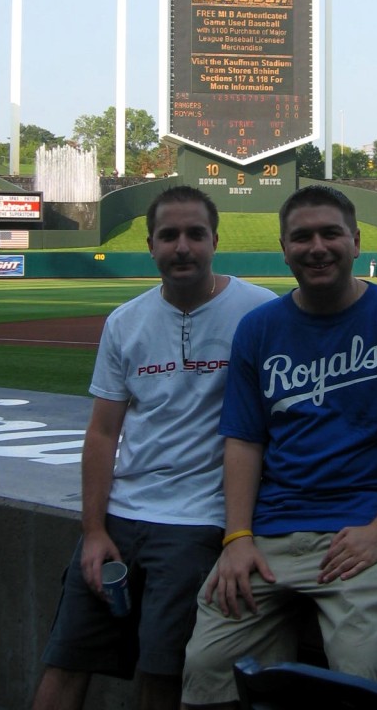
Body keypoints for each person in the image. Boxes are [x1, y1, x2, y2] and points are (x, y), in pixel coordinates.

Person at [181, 185, 377, 710]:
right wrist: (237, 537)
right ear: (285, 249)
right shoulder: (260, 328)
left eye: (330, 233)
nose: (317, 247)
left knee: (361, 678)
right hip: (271, 533)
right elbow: (244, 441)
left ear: (356, 242)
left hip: (363, 528)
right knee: (206, 666)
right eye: (302, 237)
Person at [31, 186, 276, 710]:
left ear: (215, 240)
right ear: (150, 245)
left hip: (200, 523)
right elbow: (103, 433)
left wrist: (241, 531)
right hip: (121, 518)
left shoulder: (259, 312)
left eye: (194, 234)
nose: (181, 246)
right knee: (67, 656)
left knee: (161, 671)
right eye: (169, 235)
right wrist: (93, 531)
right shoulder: (126, 321)